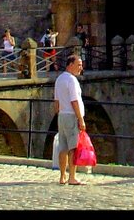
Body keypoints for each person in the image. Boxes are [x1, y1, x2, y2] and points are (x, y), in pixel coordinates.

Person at [53, 53, 87, 186]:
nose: (81, 68)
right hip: (71, 116)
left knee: (63, 147)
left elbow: (56, 101)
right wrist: (80, 119)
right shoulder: (72, 80)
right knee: (73, 148)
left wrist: (59, 114)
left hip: (62, 115)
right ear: (70, 65)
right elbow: (74, 101)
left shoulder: (59, 79)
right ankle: (72, 177)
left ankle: (62, 176)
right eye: (78, 65)